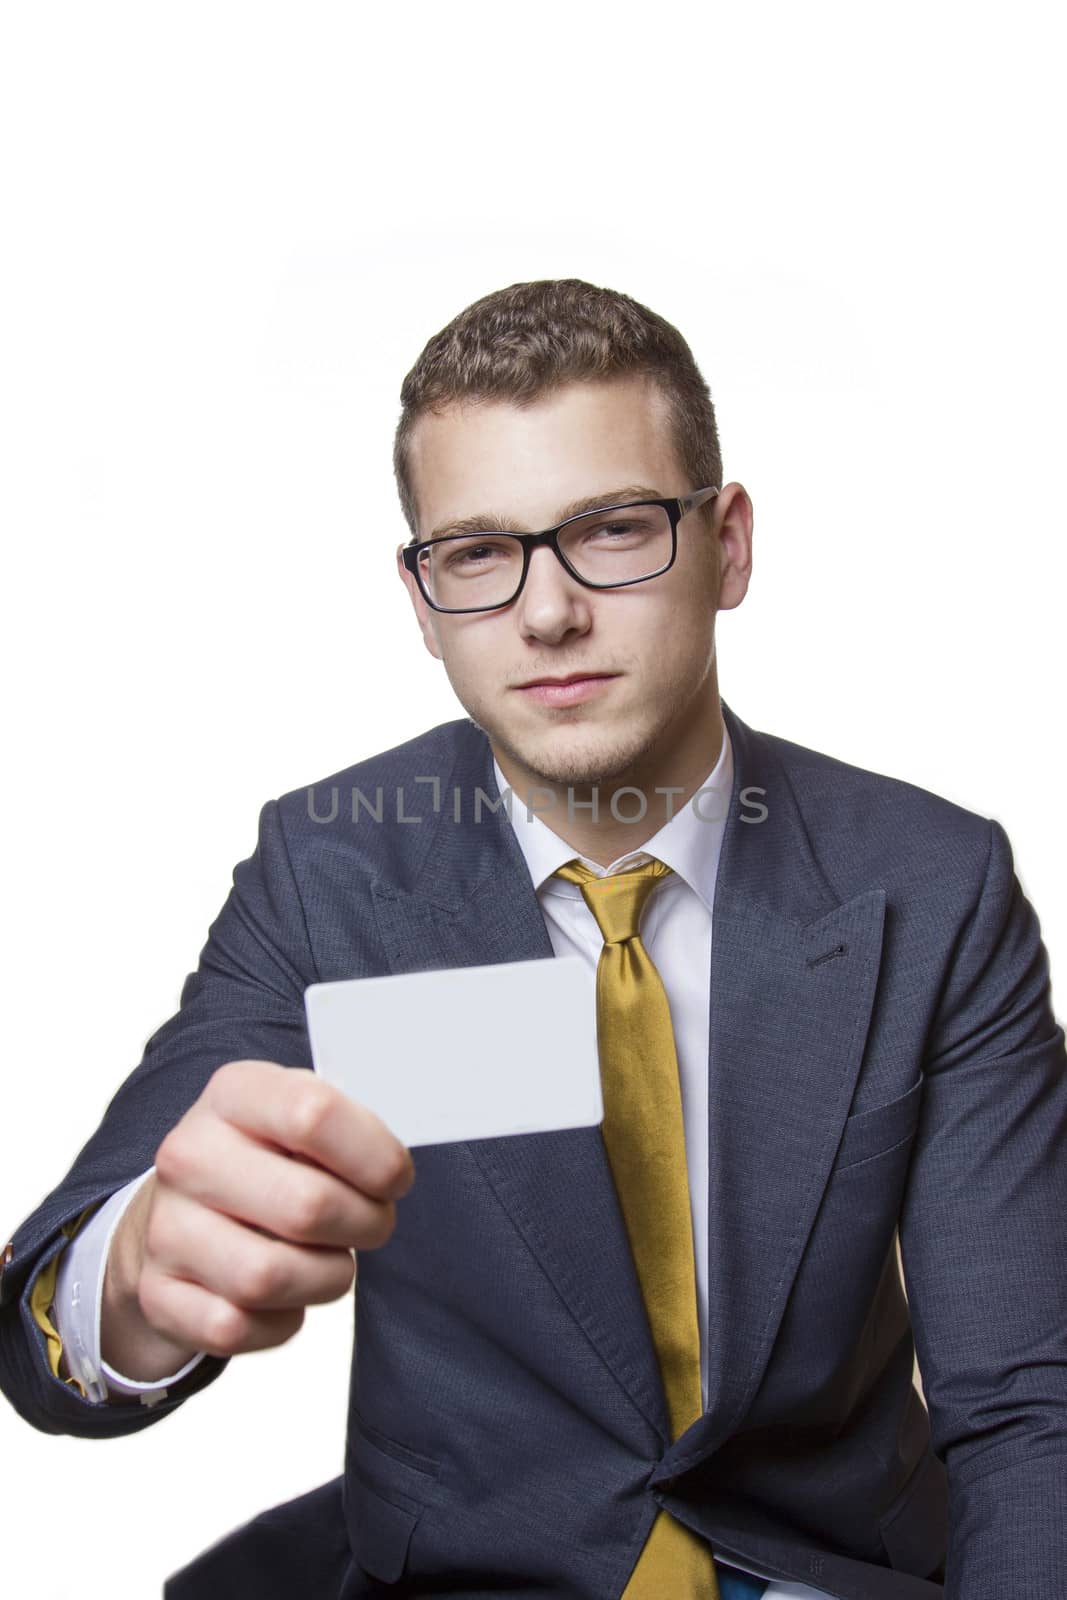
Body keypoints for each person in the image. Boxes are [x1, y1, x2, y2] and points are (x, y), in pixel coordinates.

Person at [1, 279, 1064, 1600]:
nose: (547, 612)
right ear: (422, 595)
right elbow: (50, 1315)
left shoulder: (931, 885)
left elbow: (1028, 1408)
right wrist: (143, 1276)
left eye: (613, 531)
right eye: (478, 553)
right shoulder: (333, 872)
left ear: (727, 545)